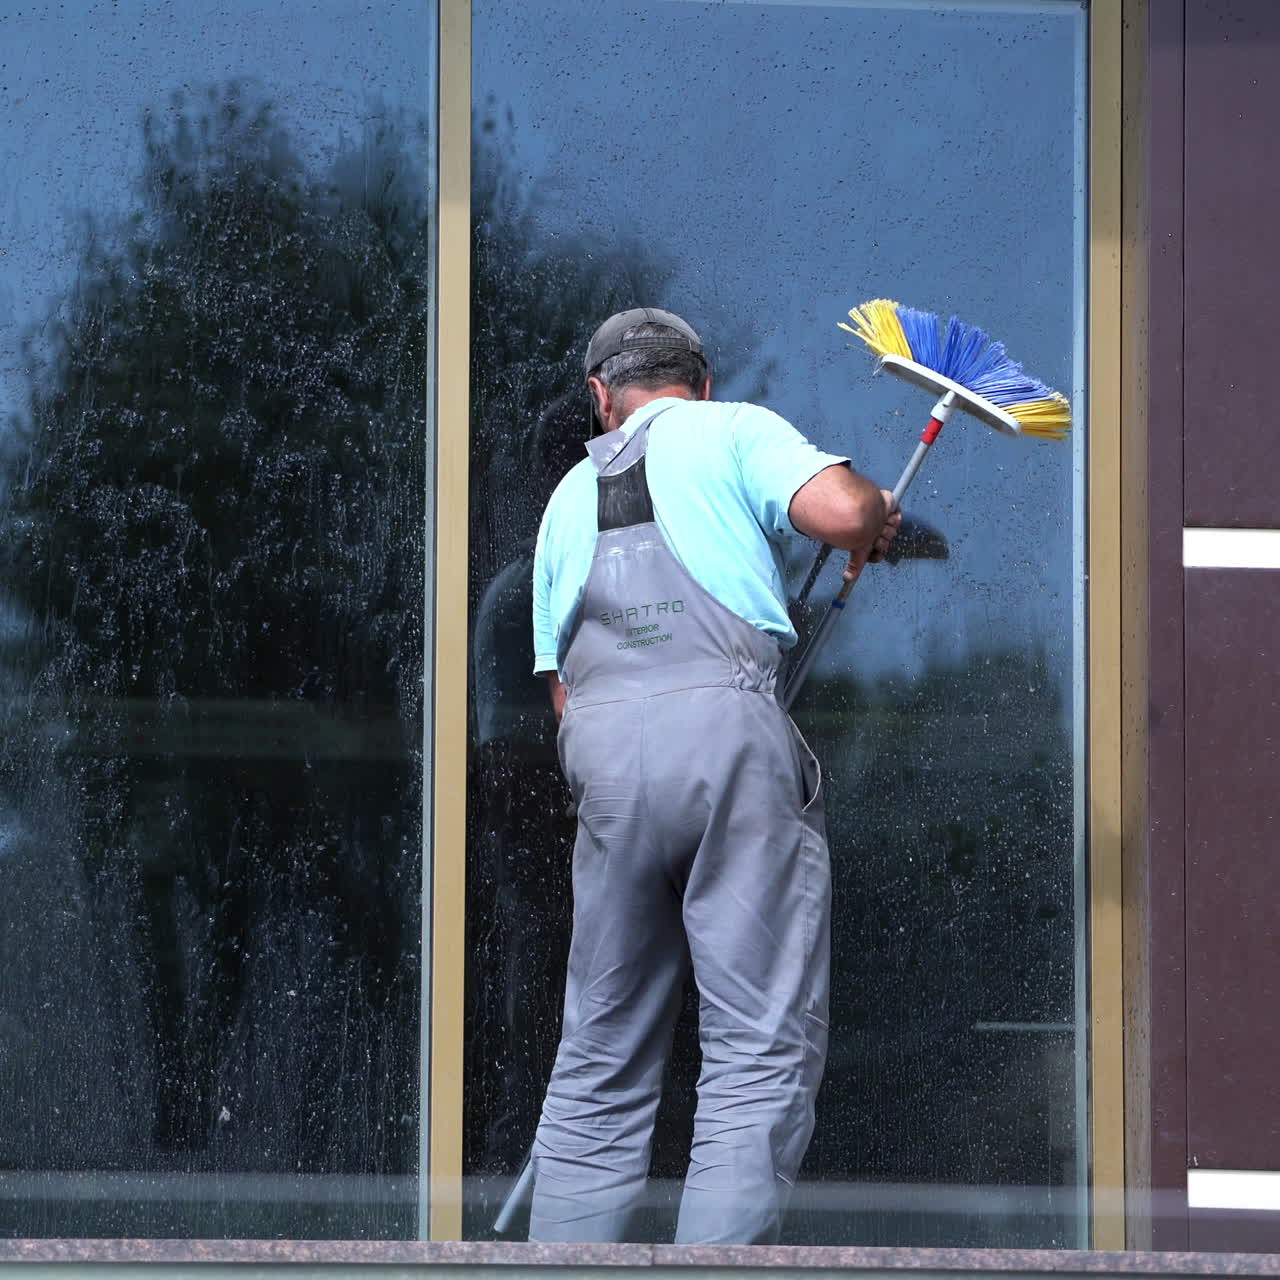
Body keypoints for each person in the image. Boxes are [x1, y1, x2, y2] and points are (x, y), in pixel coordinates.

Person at [527, 307, 899, 1244]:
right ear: (699, 382)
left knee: (598, 1058)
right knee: (755, 1051)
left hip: (604, 764)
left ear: (601, 395)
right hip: (725, 746)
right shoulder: (731, 429)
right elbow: (842, 513)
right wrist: (874, 513)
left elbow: (563, 694)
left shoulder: (566, 498)